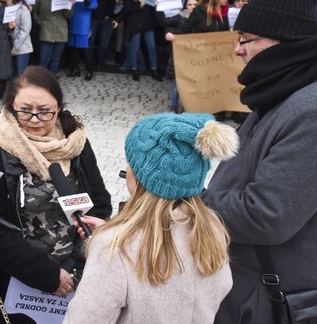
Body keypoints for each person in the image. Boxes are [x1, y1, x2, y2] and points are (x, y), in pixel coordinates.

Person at [202, 0, 317, 323]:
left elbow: (266, 216)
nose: (238, 50)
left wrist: (186, 201)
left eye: (245, 39)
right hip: (254, 286)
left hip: (275, 299)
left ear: (282, 41)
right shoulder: (290, 87)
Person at [65, 112, 236, 323]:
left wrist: (110, 240)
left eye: (131, 164)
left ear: (140, 179)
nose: (127, 169)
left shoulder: (115, 247)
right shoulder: (211, 229)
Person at [0, 66, 112, 313]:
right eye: (25, 111)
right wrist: (45, 275)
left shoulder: (75, 144)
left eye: (45, 112)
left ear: (59, 108)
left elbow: (99, 204)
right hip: (16, 280)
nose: (34, 120)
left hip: (73, 275)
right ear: (11, 106)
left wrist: (73, 267)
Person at [121, 0, 160, 81]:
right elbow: (127, 10)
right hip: (135, 23)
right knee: (135, 47)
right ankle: (134, 70)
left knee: (152, 46)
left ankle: (154, 70)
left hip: (147, 22)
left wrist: (156, 4)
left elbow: (152, 8)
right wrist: (140, 5)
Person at [34, 0, 75, 74]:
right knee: (44, 59)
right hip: (46, 30)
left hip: (60, 30)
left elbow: (68, 15)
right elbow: (34, 11)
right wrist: (40, 22)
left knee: (56, 59)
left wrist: (71, 5)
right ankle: (41, 80)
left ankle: (52, 79)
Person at [67, 0, 98, 80]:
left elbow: (95, 4)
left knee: (84, 48)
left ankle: (90, 70)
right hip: (72, 20)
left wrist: (88, 4)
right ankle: (75, 69)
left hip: (83, 22)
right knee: (73, 48)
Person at [90, 0, 118, 68]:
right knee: (91, 40)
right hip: (93, 17)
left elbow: (112, 2)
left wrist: (108, 15)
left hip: (104, 18)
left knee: (103, 40)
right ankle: (91, 61)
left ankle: (101, 61)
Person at [1, 0, 32, 76]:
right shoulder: (2, 9)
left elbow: (25, 29)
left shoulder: (22, 8)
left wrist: (16, 47)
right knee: (11, 75)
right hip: (7, 46)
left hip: (22, 47)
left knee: (20, 75)